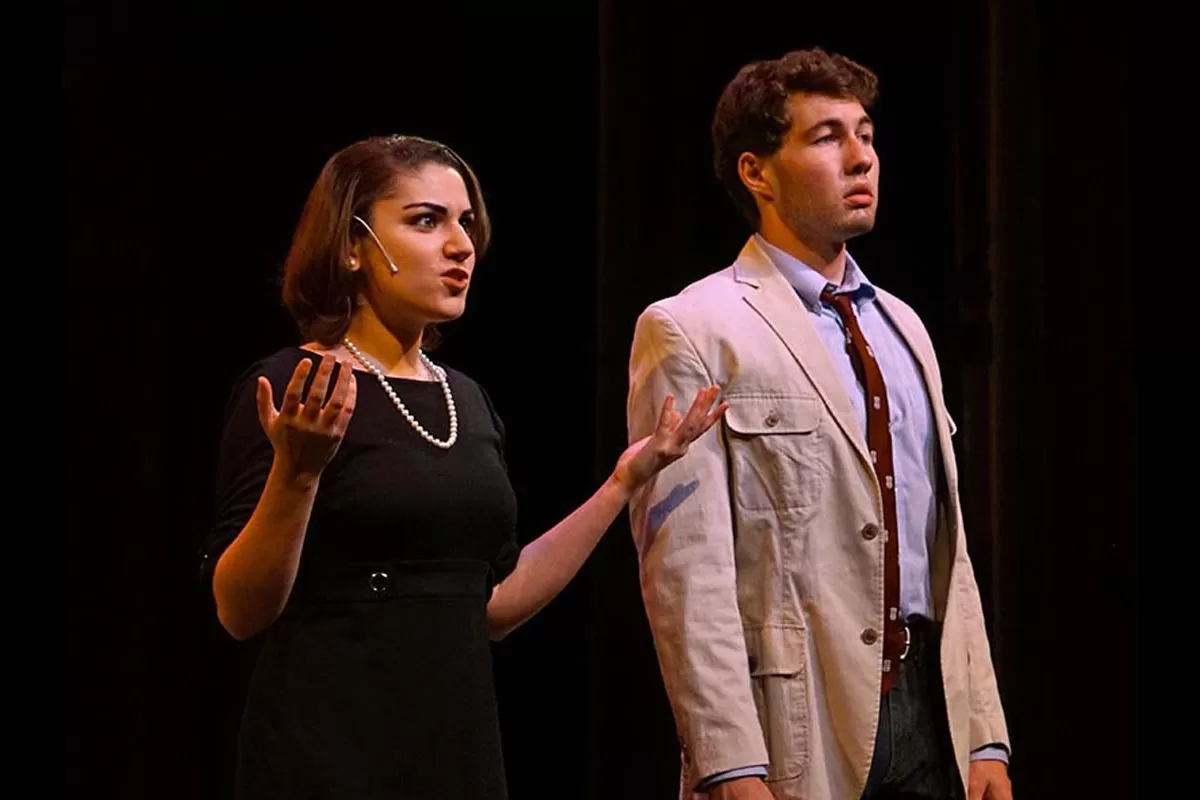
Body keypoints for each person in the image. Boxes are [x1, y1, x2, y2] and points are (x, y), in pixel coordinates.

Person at [200, 134, 726, 800]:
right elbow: (240, 610)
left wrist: (624, 482)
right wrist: (297, 475)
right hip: (327, 755)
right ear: (353, 245)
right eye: (426, 221)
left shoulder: (465, 400)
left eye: (466, 222)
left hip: (455, 753)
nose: (461, 246)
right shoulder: (293, 387)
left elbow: (493, 605)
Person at [625, 49, 1013, 800]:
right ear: (757, 172)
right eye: (827, 137)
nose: (861, 157)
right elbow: (687, 572)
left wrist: (985, 732)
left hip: (933, 714)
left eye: (865, 135)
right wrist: (728, 762)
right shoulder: (693, 327)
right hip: (797, 720)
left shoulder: (903, 326)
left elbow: (948, 549)